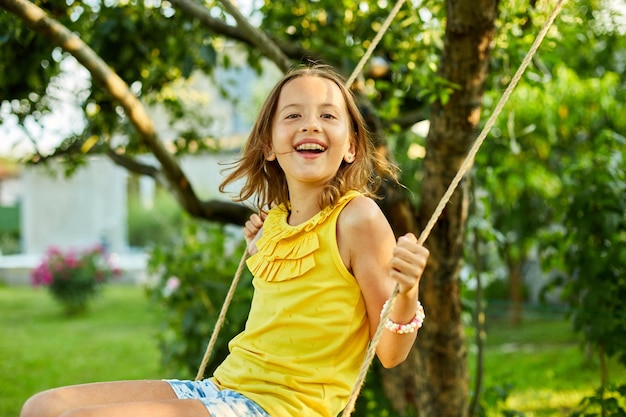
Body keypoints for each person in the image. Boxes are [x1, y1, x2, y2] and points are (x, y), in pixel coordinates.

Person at [20, 64, 430, 417]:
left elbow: (391, 353)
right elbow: (301, 294)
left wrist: (407, 290)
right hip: (222, 390)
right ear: (269, 146)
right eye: (293, 115)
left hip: (274, 408)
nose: (310, 124)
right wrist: (262, 241)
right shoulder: (277, 221)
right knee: (44, 406)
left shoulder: (357, 218)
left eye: (328, 115)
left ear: (352, 146)